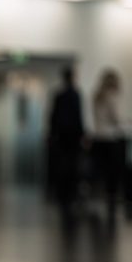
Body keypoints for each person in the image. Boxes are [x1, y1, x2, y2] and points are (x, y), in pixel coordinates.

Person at [48, 67, 85, 230]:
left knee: (63, 167)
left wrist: (52, 135)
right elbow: (78, 117)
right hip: (71, 138)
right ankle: (69, 196)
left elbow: (53, 117)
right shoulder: (75, 95)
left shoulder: (60, 95)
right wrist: (81, 135)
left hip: (62, 138)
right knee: (71, 168)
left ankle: (64, 196)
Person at [92, 69, 123, 228]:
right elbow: (115, 118)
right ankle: (110, 199)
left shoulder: (96, 96)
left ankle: (95, 197)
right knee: (112, 172)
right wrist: (122, 122)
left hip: (97, 138)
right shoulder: (111, 96)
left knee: (98, 170)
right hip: (109, 139)